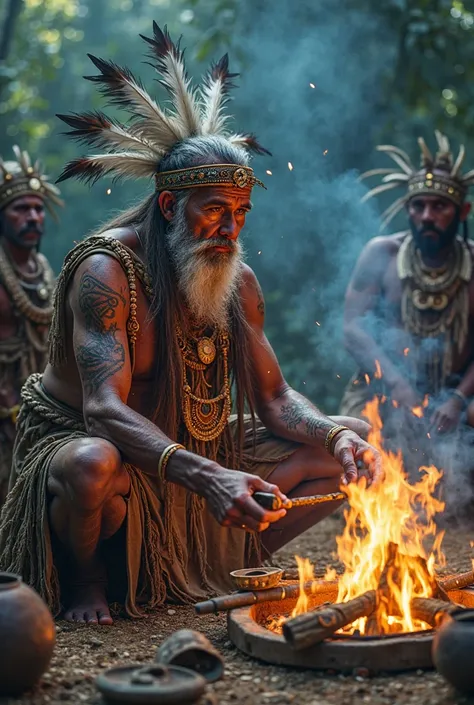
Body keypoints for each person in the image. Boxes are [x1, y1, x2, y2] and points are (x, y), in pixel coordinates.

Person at [0, 22, 381, 625]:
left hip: (193, 448)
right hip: (106, 454)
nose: (230, 230)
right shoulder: (108, 271)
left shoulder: (237, 283)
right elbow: (101, 409)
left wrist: (337, 438)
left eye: (240, 213)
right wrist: (210, 476)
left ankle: (224, 557)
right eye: (214, 213)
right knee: (92, 463)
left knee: (349, 439)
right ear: (171, 206)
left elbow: (275, 397)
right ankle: (89, 576)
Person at [340, 131, 474, 464]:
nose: (427, 215)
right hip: (384, 384)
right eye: (419, 206)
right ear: (408, 209)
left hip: (458, 392)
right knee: (359, 428)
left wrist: (458, 399)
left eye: (439, 206)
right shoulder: (382, 254)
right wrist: (396, 383)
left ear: (462, 211)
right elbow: (353, 328)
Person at [0, 147, 62, 505]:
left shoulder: (41, 267)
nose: (33, 216)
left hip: (35, 405)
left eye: (38, 208)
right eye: (21, 209)